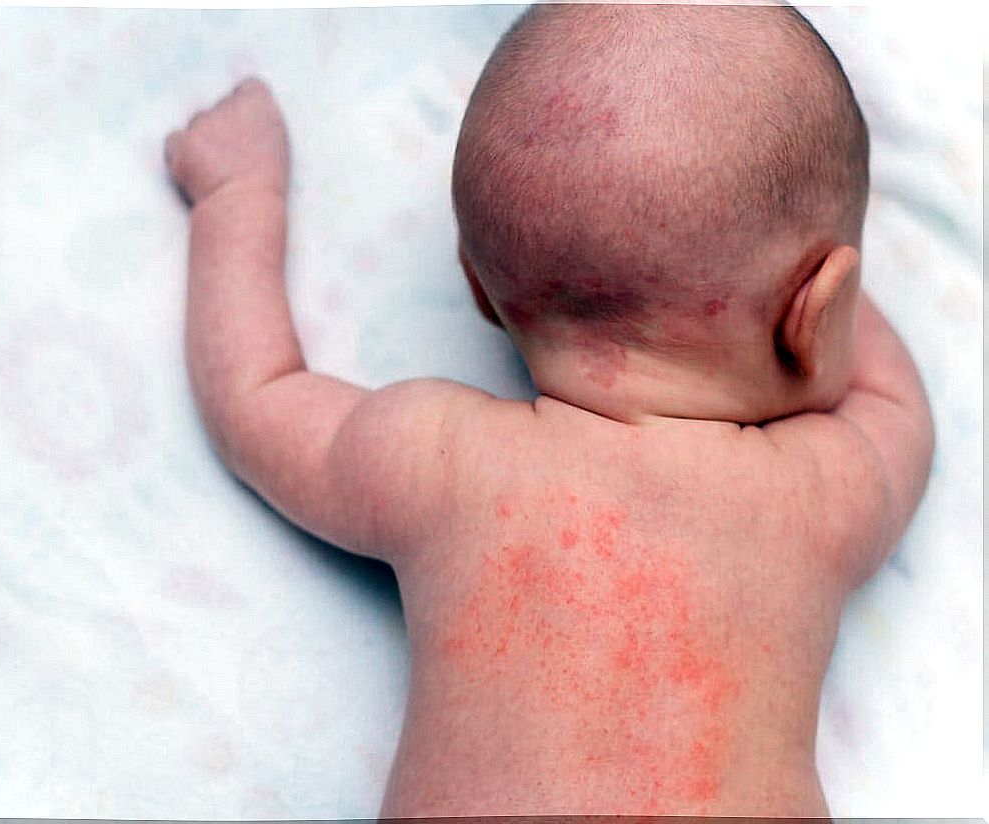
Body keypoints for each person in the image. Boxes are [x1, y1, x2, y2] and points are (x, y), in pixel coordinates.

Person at [164, 2, 933, 814]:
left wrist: (237, 198)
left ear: (478, 288)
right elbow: (897, 406)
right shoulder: (816, 498)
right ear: (812, 312)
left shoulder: (440, 462)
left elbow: (255, 394)